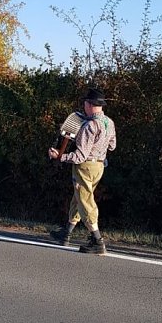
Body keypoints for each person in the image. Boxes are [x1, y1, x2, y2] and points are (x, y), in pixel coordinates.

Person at [48, 88, 116, 254]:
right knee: (79, 198)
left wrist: (59, 157)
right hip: (99, 167)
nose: (84, 105)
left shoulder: (89, 126)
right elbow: (112, 146)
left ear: (91, 104)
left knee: (85, 200)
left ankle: (97, 240)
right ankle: (67, 233)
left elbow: (80, 156)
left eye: (85, 102)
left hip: (85, 167)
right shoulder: (109, 122)